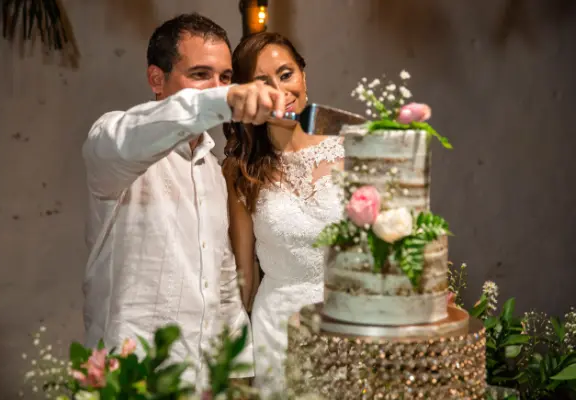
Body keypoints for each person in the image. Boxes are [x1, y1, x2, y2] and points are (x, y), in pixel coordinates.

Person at [80, 13, 286, 390]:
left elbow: (222, 279)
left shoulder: (214, 171)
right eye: (200, 74)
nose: (216, 88)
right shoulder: (113, 143)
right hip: (135, 379)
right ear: (156, 79)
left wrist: (235, 371)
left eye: (225, 77)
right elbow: (130, 133)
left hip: (204, 380)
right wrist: (221, 100)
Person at [222, 31, 432, 396]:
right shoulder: (241, 171)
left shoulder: (355, 149)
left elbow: (393, 243)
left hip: (350, 322)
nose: (279, 91)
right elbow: (244, 278)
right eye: (263, 83)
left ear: (303, 75)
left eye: (286, 74)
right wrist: (235, 359)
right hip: (278, 330)